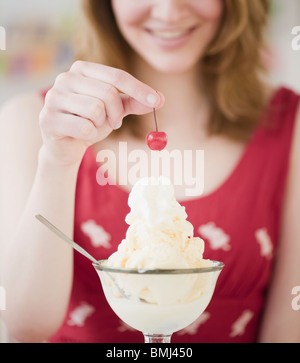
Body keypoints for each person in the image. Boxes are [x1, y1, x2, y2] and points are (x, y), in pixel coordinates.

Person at [0, 0, 300, 343]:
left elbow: (288, 332)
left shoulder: (290, 127)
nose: (169, 12)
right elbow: (26, 328)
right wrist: (58, 160)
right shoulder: (33, 122)